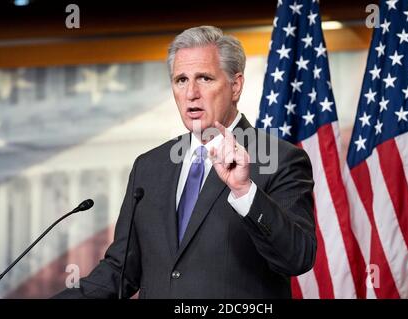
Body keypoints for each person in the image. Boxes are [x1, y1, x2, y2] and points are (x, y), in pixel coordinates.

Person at [54, 25, 316, 299]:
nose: (191, 93)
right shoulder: (150, 167)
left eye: (204, 78)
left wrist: (245, 191)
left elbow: (298, 257)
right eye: (181, 80)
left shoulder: (280, 159)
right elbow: (120, 270)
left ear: (235, 86)